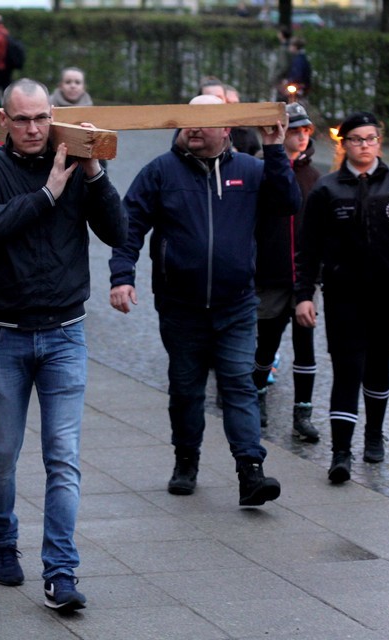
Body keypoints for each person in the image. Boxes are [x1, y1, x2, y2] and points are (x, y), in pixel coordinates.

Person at [0, 78, 126, 611]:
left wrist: (94, 173)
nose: (33, 129)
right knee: (2, 454)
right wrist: (46, 196)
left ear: (53, 115)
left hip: (64, 332)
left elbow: (118, 231)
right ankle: (2, 544)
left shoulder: (76, 165)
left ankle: (60, 571)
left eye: (40, 118)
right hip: (4, 334)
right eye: (22, 119)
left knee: (63, 457)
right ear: (4, 120)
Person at [109, 94, 299, 506]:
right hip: (181, 306)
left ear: (227, 127)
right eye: (188, 119)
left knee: (239, 385)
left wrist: (274, 148)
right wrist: (122, 277)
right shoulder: (161, 171)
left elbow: (288, 202)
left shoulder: (250, 171)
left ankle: (251, 471)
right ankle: (186, 459)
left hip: (237, 304)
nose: (193, 127)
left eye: (205, 119)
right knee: (186, 388)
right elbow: (129, 225)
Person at [294, 111, 389, 484]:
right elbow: (308, 249)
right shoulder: (326, 189)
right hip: (343, 293)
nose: (364, 145)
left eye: (370, 138)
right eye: (357, 139)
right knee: (347, 368)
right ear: (344, 144)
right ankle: (340, 452)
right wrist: (304, 294)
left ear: (379, 142)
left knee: (378, 364)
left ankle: (374, 434)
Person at [253, 102, 320, 442]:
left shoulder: (314, 177)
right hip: (271, 274)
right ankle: (257, 398)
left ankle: (303, 412)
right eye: (295, 130)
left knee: (305, 346)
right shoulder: (261, 170)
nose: (301, 136)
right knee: (266, 343)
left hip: (304, 277)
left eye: (305, 130)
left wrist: (317, 272)